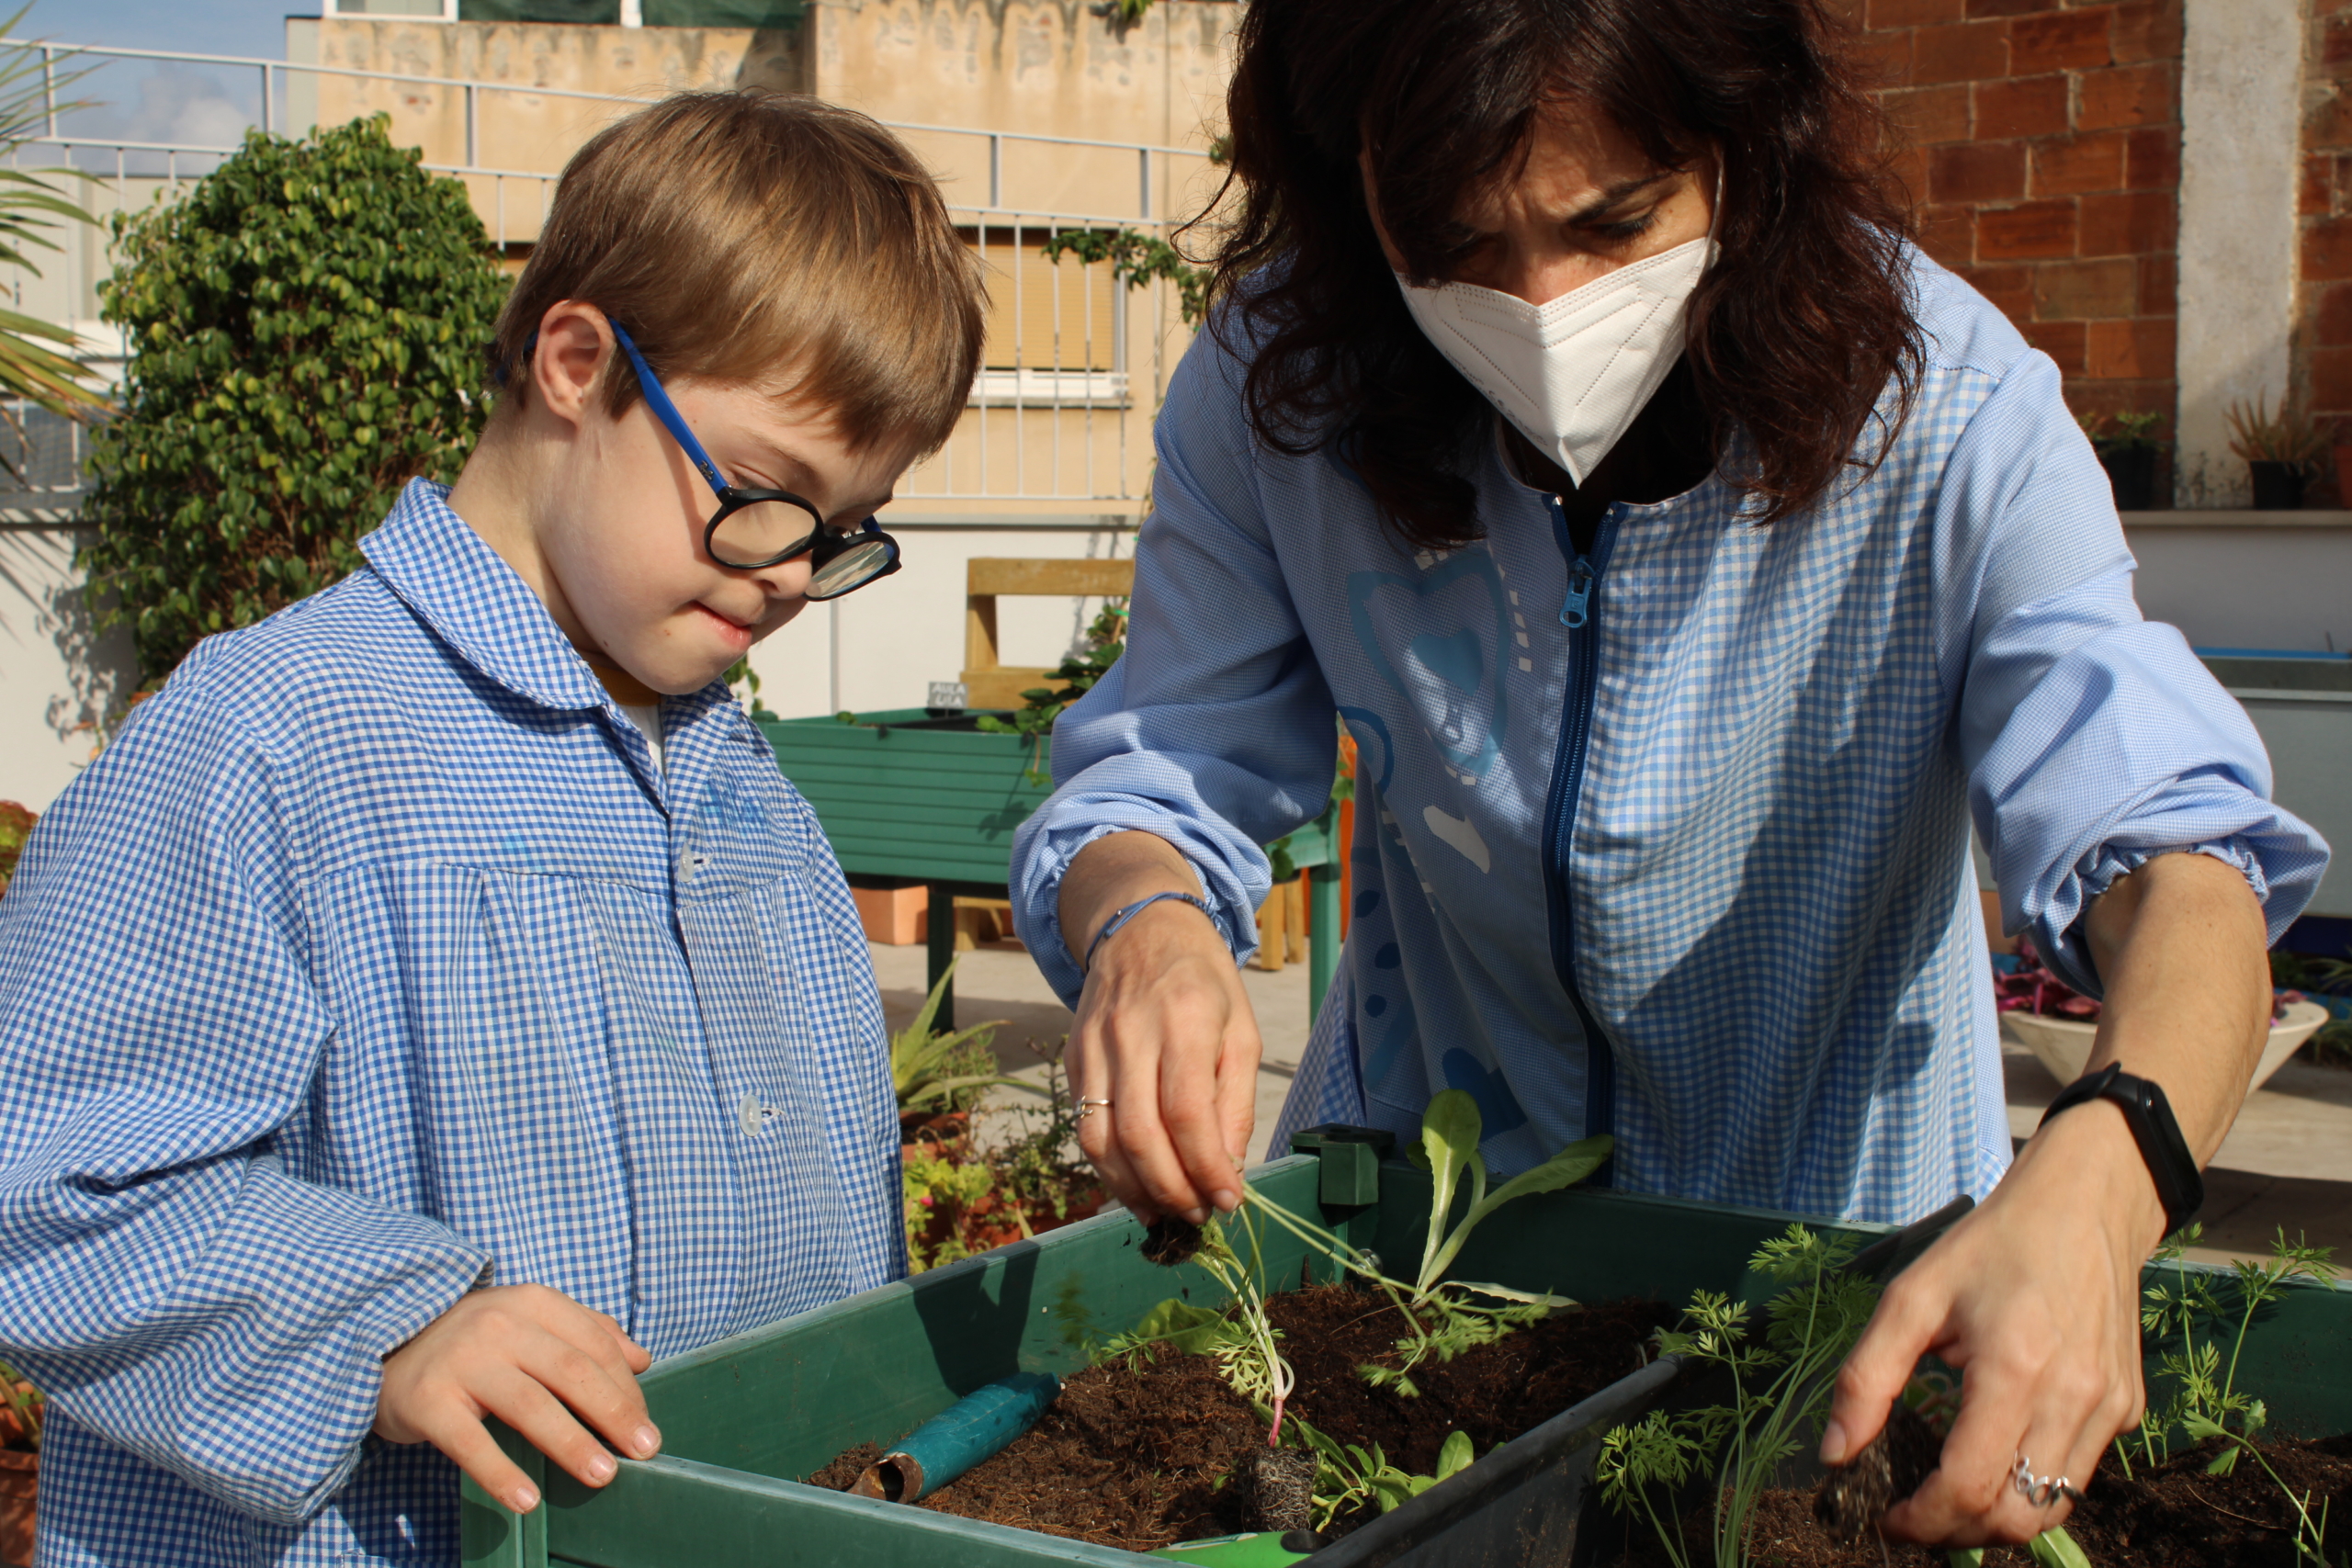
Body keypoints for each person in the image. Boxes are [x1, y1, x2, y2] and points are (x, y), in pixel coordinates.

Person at [1007, 0, 2328, 1549]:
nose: (1542, 306)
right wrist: (1147, 927)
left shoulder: (1945, 409)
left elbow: (2176, 850)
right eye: (1458, 245)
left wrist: (2115, 1167)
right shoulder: (1284, 388)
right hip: (1433, 1269)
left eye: (1611, 222)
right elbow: (1155, 778)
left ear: (1739, 143)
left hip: (1840, 1268)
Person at [0, 91, 985, 1564]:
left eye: (848, 530)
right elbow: (45, 1180)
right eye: (769, 497)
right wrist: (388, 1327)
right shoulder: (277, 738)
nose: (791, 574)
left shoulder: (742, 788)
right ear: (577, 364)